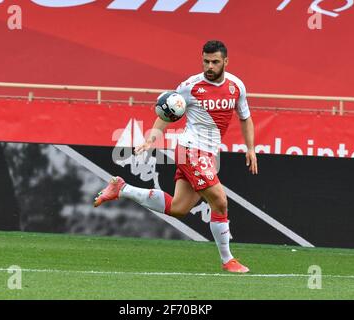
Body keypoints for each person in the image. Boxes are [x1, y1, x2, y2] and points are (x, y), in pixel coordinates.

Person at [93, 40, 258, 273]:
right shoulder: (190, 86)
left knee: (179, 208)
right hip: (190, 149)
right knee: (220, 200)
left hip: (208, 154)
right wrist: (152, 137)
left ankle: (122, 188)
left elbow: (245, 117)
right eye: (206, 61)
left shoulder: (236, 86)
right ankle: (227, 260)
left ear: (225, 62)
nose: (209, 66)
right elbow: (167, 110)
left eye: (215, 62)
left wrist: (250, 148)